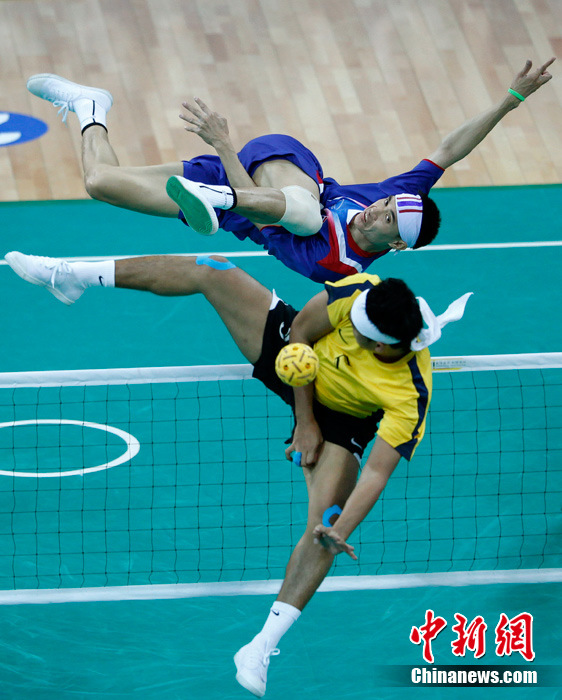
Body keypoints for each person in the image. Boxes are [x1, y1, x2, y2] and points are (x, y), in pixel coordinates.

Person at [4, 249, 471, 696]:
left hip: (345, 420)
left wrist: (343, 528)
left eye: (362, 332)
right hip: (296, 361)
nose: (354, 324)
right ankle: (72, 276)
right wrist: (304, 421)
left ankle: (260, 646)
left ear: (382, 344)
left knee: (323, 529)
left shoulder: (410, 393)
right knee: (212, 268)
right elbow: (301, 332)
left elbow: (377, 473)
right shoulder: (359, 294)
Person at [26, 58, 554, 283]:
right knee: (307, 211)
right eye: (387, 202)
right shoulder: (394, 198)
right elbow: (449, 150)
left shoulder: (335, 265)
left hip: (241, 202)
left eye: (388, 218)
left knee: (100, 184)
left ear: (395, 245)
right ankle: (217, 200)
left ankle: (91, 107)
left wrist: (223, 148)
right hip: (287, 168)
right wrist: (510, 101)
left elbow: (266, 221)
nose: (378, 208)